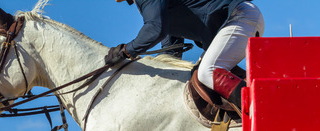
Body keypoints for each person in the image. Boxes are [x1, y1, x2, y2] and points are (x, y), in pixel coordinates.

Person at [105, 0, 265, 113]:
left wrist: (126, 51)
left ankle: (264, 111)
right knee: (197, 75)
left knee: (208, 71)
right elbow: (171, 48)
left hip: (239, 17)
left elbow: (155, 29)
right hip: (240, 19)